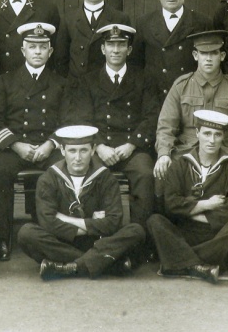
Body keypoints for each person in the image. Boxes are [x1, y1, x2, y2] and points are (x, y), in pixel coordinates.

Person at [17, 125, 146, 280]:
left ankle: (71, 267)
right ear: (63, 151)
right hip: (62, 243)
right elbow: (48, 223)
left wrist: (65, 219)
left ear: (92, 150)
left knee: (136, 231)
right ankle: (105, 263)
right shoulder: (49, 178)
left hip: (97, 242)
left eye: (83, 151)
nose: (77, 157)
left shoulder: (105, 178)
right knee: (27, 233)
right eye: (72, 151)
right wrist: (93, 223)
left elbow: (113, 222)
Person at [0, 22, 68, 260]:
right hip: (14, 147)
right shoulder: (6, 80)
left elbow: (68, 120)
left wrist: (51, 144)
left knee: (62, 170)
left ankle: (55, 237)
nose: (37, 52)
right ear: (23, 50)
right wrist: (16, 145)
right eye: (32, 46)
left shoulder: (60, 82)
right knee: (0, 172)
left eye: (43, 47)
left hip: (48, 145)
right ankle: (3, 238)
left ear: (50, 51)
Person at [66, 23, 159, 230]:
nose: (115, 50)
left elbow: (151, 117)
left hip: (132, 148)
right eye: (110, 44)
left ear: (129, 49)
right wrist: (98, 146)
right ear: (102, 49)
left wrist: (132, 144)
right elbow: (82, 119)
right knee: (87, 174)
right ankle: (94, 234)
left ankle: (139, 238)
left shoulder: (144, 78)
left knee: (144, 174)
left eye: (121, 44)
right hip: (100, 148)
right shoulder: (88, 80)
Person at [147, 110, 228, 283]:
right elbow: (170, 204)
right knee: (155, 220)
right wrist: (206, 205)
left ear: (223, 137)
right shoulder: (181, 164)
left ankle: (181, 260)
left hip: (215, 235)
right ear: (197, 133)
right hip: (184, 233)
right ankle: (201, 266)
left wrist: (188, 211)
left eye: (217, 135)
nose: (212, 140)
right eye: (207, 133)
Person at [155, 30, 228, 189]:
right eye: (204, 53)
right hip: (188, 149)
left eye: (214, 53)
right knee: (164, 176)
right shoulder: (181, 86)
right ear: (195, 55)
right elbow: (166, 125)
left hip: (225, 150)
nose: (209, 58)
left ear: (222, 56)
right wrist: (163, 154)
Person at [132, 0, 213, 96]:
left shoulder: (202, 22)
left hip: (190, 94)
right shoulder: (144, 23)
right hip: (155, 96)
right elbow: (136, 63)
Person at [54, 0, 131, 79]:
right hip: (77, 87)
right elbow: (60, 59)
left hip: (105, 86)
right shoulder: (69, 19)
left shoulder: (120, 18)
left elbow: (127, 58)